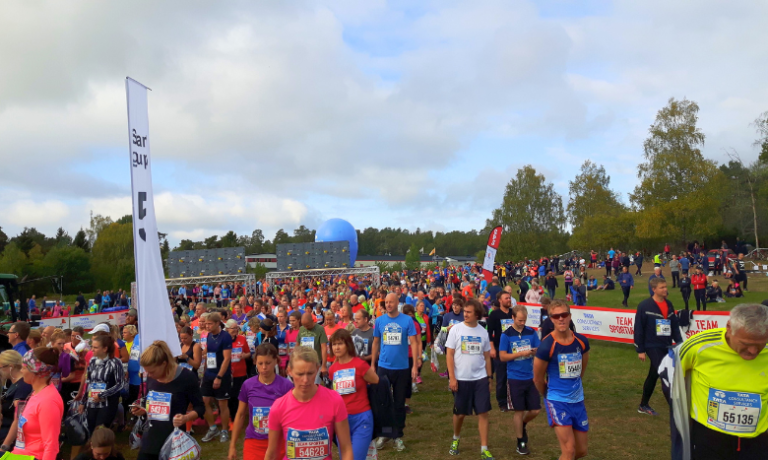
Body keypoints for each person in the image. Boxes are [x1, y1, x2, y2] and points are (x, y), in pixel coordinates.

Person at [674, 304, 768, 459]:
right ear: (729, 328)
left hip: (758, 439)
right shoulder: (699, 345)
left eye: (760, 344)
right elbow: (673, 377)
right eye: (746, 344)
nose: (753, 351)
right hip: (709, 437)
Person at [265, 347, 353, 460]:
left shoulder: (334, 400)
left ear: (317, 369)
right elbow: (272, 454)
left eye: (310, 373)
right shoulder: (279, 407)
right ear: (289, 371)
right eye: (300, 374)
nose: (305, 380)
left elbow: (346, 448)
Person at [533, 300, 590, 460]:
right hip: (557, 401)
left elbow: (581, 370)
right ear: (551, 319)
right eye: (556, 316)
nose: (561, 319)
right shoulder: (546, 346)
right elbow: (537, 378)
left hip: (578, 401)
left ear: (570, 316)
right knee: (569, 450)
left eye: (564, 315)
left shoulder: (581, 342)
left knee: (581, 451)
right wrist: (549, 395)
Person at [131, 340, 205, 460]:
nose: (149, 374)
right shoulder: (151, 377)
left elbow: (200, 407)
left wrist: (186, 417)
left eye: (152, 371)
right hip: (150, 439)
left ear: (164, 363)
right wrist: (142, 409)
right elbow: (150, 402)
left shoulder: (186, 377)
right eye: (147, 371)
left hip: (174, 440)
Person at [446, 299, 494, 460]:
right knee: (460, 414)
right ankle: (456, 438)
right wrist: (452, 378)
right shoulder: (456, 330)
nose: (464, 314)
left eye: (468, 312)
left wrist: (489, 378)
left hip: (480, 379)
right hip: (461, 379)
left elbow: (487, 357)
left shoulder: (483, 332)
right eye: (464, 311)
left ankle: (484, 449)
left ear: (477, 315)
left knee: (483, 413)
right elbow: (449, 354)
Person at [371, 292, 419, 452]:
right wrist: (372, 364)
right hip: (384, 367)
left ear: (397, 302)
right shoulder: (379, 321)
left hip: (402, 368)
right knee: (383, 402)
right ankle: (384, 433)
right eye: (386, 302)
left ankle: (397, 435)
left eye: (391, 302)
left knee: (399, 403)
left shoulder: (407, 320)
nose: (389, 305)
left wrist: (415, 365)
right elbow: (376, 342)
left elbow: (414, 341)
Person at [228, 343, 293, 460]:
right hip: (254, 443)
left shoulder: (286, 386)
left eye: (268, 363)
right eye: (260, 363)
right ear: (255, 363)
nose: (264, 367)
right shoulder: (248, 385)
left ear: (276, 361)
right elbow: (241, 414)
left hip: (279, 442)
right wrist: (232, 445)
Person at [634, 278, 683, 416]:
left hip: (666, 345)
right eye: (662, 287)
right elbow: (639, 328)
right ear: (654, 289)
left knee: (653, 375)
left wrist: (679, 344)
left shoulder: (669, 304)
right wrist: (641, 349)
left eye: (665, 287)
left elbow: (674, 326)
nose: (665, 289)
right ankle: (676, 410)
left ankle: (643, 405)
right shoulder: (645, 306)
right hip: (652, 345)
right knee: (665, 374)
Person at [329, 329, 379, 460]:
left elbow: (376, 381)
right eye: (334, 344)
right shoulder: (332, 369)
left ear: (348, 345)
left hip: (361, 418)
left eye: (340, 343)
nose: (337, 347)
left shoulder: (360, 365)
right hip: (341, 420)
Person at [8, 347, 64, 460]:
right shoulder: (36, 393)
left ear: (36, 372)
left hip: (33, 456)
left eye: (24, 367)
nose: (21, 371)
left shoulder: (48, 401)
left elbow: (51, 445)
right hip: (18, 454)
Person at [499, 304, 541, 455]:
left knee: (535, 410)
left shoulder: (531, 332)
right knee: (519, 410)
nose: (522, 323)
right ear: (513, 318)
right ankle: (520, 442)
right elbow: (502, 356)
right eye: (520, 320)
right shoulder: (506, 335)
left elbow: (539, 349)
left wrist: (535, 351)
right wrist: (521, 353)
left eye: (524, 320)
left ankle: (523, 424)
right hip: (514, 378)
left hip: (530, 377)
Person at [77, 334, 126, 432]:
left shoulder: (115, 363)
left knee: (100, 431)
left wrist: (103, 394)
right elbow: (89, 382)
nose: (92, 350)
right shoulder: (93, 361)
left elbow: (120, 384)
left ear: (105, 349)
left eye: (95, 347)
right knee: (91, 430)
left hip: (107, 404)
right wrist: (83, 402)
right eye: (92, 347)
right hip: (92, 403)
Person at [200, 312, 233, 443]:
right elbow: (209, 353)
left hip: (221, 375)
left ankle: (224, 430)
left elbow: (226, 359)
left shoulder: (225, 337)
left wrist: (219, 377)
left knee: (222, 404)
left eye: (209, 324)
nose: (207, 326)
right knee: (203, 402)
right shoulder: (208, 335)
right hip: (208, 373)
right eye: (206, 323)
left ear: (218, 323)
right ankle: (213, 428)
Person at [487, 291, 515, 412]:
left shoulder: (513, 313)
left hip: (513, 349)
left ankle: (513, 400)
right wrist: (492, 348)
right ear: (500, 300)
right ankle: (502, 403)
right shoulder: (494, 314)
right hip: (500, 349)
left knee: (514, 375)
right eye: (506, 298)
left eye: (509, 298)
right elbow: (489, 333)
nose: (509, 300)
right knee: (502, 376)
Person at [0, 350, 32, 450]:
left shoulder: (22, 387)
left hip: (8, 434)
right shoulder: (13, 382)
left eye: (0, 367)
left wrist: (4, 446)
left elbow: (19, 418)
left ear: (11, 367)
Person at [225, 318, 250, 431]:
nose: (235, 330)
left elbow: (248, 353)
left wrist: (244, 356)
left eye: (236, 328)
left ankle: (238, 418)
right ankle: (231, 420)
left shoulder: (242, 339)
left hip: (240, 373)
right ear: (227, 329)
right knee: (230, 398)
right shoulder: (224, 340)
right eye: (233, 328)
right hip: (228, 374)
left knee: (239, 397)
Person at [297, 311, 328, 383]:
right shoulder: (301, 329)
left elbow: (324, 347)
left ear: (312, 321)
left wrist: (324, 365)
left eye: (307, 325)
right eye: (304, 325)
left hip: (316, 363)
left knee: (314, 384)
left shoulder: (320, 329)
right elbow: (297, 345)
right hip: (303, 362)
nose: (306, 327)